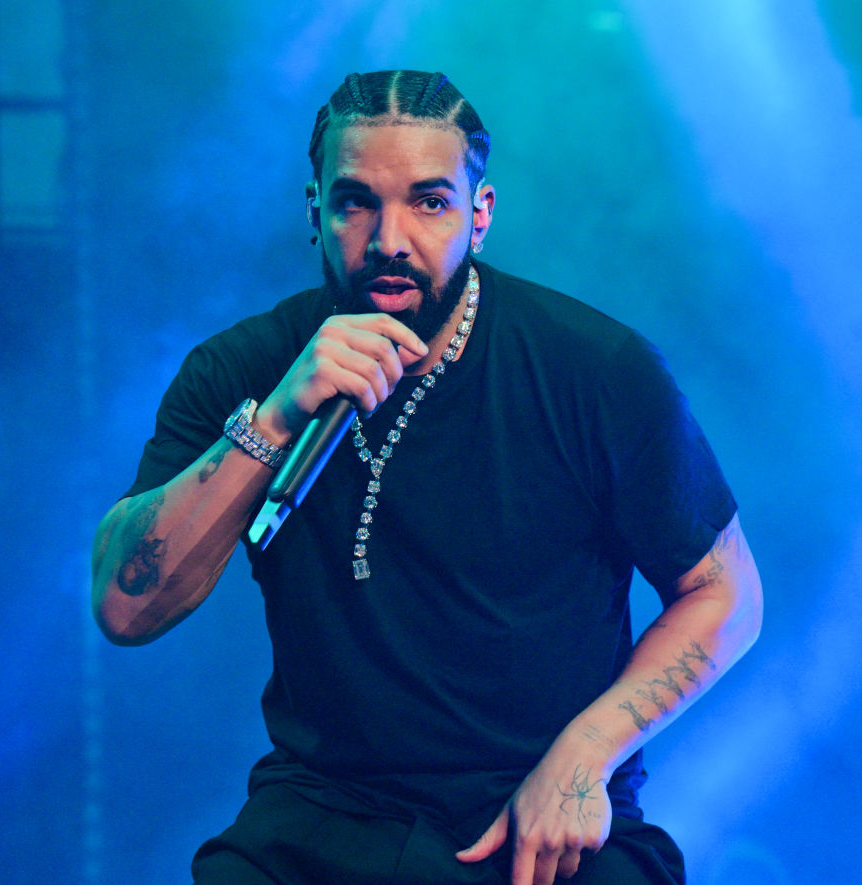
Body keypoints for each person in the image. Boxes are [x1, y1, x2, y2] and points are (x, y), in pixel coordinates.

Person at [91, 70, 763, 885]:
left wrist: (586, 753)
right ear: (315, 210)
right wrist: (274, 421)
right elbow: (125, 607)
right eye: (356, 203)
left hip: (538, 817)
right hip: (322, 814)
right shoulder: (243, 370)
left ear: (480, 214)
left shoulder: (596, 370)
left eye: (429, 202)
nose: (390, 239)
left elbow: (726, 594)